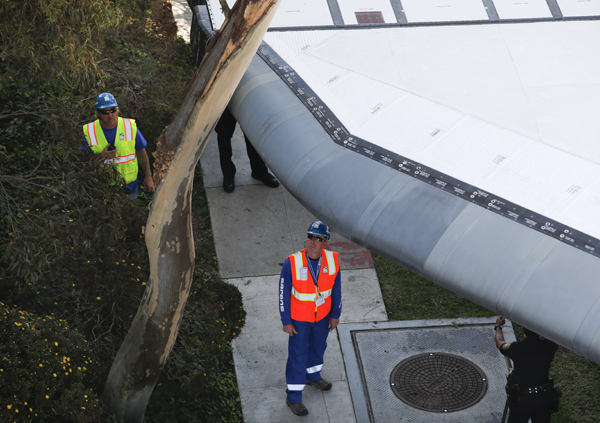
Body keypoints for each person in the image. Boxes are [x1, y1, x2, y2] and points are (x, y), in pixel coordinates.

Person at [279, 221, 342, 416]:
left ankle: (313, 376)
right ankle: (294, 398)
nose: (312, 241)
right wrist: (286, 321)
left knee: (318, 348)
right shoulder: (292, 262)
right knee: (297, 357)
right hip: (299, 320)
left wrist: (335, 315)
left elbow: (337, 290)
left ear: (325, 243)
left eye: (318, 238)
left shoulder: (332, 260)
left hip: (322, 318)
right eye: (310, 236)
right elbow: (283, 293)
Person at [82, 92, 154, 199]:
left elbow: (141, 152)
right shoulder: (89, 131)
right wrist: (101, 156)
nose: (110, 115)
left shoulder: (129, 126)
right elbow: (82, 159)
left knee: (131, 215)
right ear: (98, 113)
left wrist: (148, 176)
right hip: (102, 187)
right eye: (105, 112)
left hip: (130, 186)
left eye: (113, 110)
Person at [495, 316, 558, 423]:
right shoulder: (549, 346)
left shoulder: (517, 348)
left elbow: (499, 342)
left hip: (521, 399)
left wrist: (498, 326)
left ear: (523, 330)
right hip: (543, 397)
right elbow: (555, 336)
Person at [215, 106, 279, 193]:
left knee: (252, 133)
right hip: (225, 100)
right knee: (223, 135)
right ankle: (228, 175)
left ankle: (259, 171)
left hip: (247, 99)